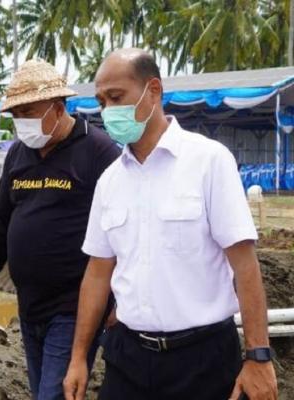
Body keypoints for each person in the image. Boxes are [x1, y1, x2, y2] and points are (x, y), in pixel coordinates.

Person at [63, 49, 278, 400]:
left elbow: (244, 265)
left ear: (154, 91)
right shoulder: (110, 181)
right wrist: (78, 359)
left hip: (202, 360)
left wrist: (258, 356)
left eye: (116, 97)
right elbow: (98, 273)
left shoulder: (209, 162)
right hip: (127, 358)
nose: (108, 110)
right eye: (102, 101)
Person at [0, 59, 120, 399]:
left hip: (74, 306)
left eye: (29, 113)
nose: (22, 123)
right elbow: (0, 222)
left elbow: (125, 227)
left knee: (53, 394)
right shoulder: (18, 155)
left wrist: (120, 297)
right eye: (17, 116)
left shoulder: (98, 152)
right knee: (45, 391)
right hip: (29, 306)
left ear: (58, 107)